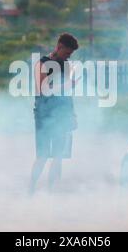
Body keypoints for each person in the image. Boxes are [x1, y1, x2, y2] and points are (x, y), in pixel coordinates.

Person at [29, 33, 79, 194]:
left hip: (62, 115)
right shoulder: (42, 64)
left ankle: (52, 193)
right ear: (59, 47)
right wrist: (65, 85)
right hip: (43, 115)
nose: (68, 57)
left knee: (58, 156)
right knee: (43, 156)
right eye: (66, 53)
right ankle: (31, 190)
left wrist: (72, 114)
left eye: (70, 55)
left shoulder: (66, 64)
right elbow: (43, 90)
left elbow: (67, 93)